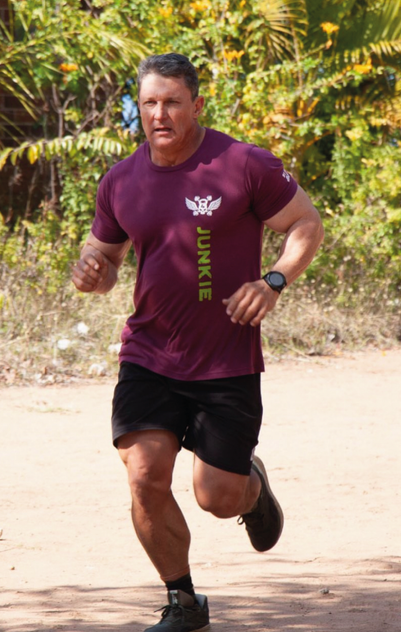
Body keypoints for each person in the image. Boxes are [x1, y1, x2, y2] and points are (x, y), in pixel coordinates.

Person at [72, 52, 324, 632]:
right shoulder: (121, 180)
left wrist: (274, 279)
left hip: (225, 359)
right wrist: (92, 269)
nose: (159, 114)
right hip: (149, 355)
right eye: (149, 103)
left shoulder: (242, 164)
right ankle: (184, 603)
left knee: (217, 496)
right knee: (144, 475)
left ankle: (252, 491)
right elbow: (105, 257)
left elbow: (306, 223)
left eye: (172, 102)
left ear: (196, 105)